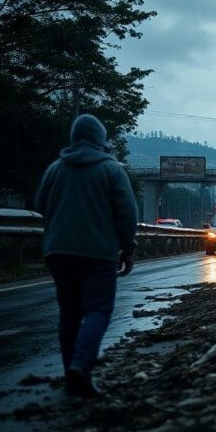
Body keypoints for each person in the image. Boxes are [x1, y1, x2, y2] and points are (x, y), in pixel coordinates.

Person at [35, 114, 137, 398]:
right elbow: (127, 214)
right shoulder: (111, 170)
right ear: (101, 139)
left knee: (69, 313)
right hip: (98, 253)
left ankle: (72, 376)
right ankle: (82, 364)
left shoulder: (55, 169)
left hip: (58, 252)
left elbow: (40, 206)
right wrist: (127, 247)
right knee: (98, 310)